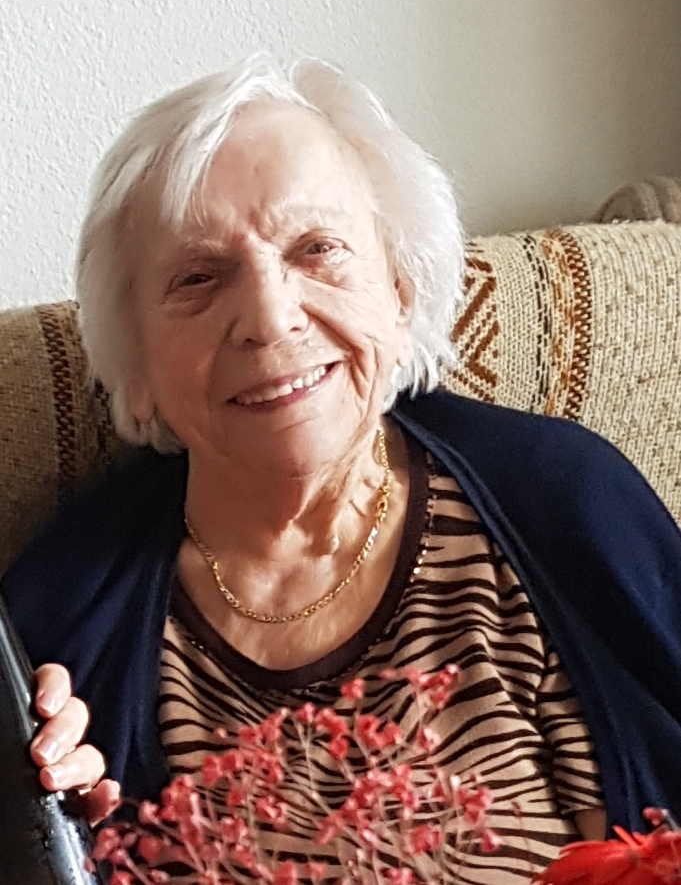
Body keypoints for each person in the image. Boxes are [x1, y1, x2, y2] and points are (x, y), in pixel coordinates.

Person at [4, 53, 681, 883]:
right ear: (133, 361)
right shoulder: (59, 615)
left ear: (399, 291)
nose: (268, 316)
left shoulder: (566, 502)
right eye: (198, 277)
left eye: (317, 248)